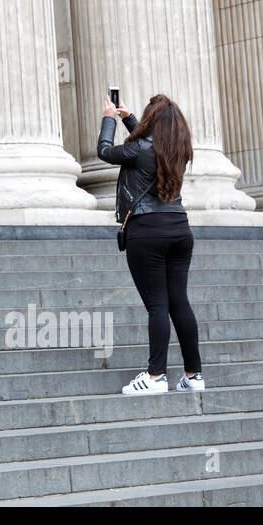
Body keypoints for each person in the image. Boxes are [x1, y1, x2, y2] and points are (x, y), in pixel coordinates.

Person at [98, 93, 205, 395]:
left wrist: (109, 118)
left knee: (157, 305)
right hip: (180, 230)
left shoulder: (140, 149)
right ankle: (193, 375)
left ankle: (156, 377)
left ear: (151, 121)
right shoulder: (179, 150)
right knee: (179, 303)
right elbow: (149, 146)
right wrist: (129, 119)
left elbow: (105, 151)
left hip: (147, 232)